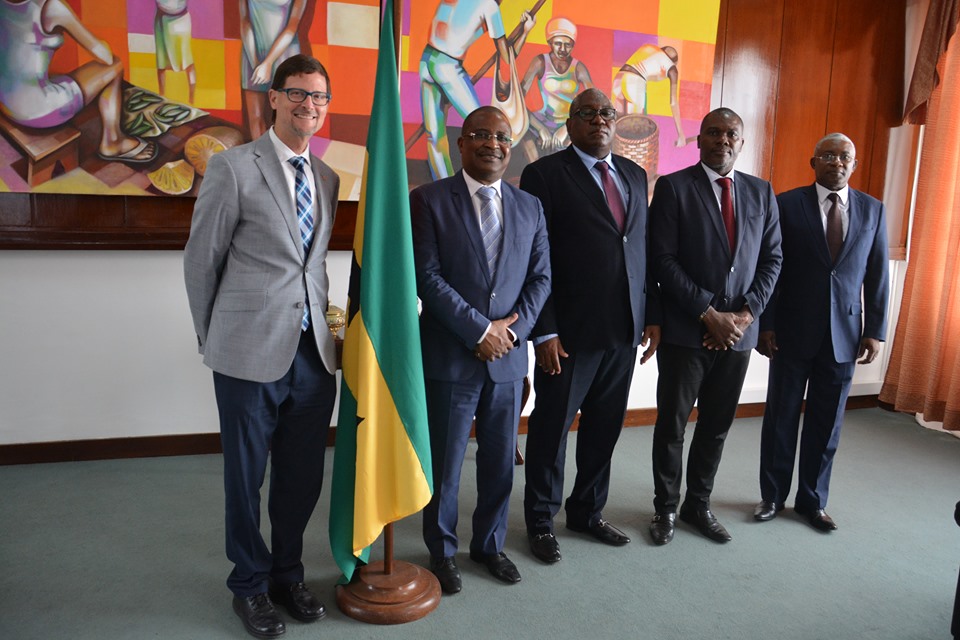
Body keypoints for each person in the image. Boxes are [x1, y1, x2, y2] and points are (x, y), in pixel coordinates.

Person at [183, 54, 338, 638]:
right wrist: (214, 339)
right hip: (246, 351)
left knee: (301, 476)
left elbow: (312, 267)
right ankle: (247, 585)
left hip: (312, 354)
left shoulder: (326, 177)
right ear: (274, 98)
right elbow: (202, 261)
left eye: (319, 97)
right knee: (245, 477)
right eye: (298, 93)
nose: (309, 105)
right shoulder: (234, 167)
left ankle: (286, 573)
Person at [411, 106, 551, 594]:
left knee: (498, 462)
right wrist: (479, 331)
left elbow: (541, 278)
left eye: (501, 137)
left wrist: (511, 334)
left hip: (509, 359)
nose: (493, 144)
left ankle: (489, 545)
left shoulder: (529, 206)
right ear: (461, 144)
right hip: (452, 356)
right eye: (481, 135)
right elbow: (426, 277)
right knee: (446, 464)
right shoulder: (427, 200)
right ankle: (442, 551)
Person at [519, 88, 660, 564]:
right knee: (551, 430)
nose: (599, 120)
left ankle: (587, 511)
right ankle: (540, 520)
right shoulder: (544, 175)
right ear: (570, 123)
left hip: (624, 327)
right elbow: (534, 258)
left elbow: (642, 249)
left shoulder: (635, 174)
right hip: (568, 334)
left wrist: (651, 316)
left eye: (606, 112)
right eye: (587, 114)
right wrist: (545, 329)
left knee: (605, 427)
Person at [648, 107, 782, 546]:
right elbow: (663, 260)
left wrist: (743, 318)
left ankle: (697, 504)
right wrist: (709, 314)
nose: (723, 139)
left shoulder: (761, 192)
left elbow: (771, 260)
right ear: (700, 139)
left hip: (737, 337)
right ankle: (665, 508)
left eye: (732, 133)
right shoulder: (673, 188)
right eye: (714, 132)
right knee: (672, 424)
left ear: (741, 142)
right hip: (688, 331)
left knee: (717, 425)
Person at [753, 133, 889, 531]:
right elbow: (771, 268)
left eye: (844, 156)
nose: (836, 162)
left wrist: (875, 330)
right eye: (828, 155)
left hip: (844, 335)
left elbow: (877, 274)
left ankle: (813, 501)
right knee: (780, 419)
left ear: (854, 164)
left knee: (827, 423)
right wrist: (768, 322)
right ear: (813, 162)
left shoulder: (873, 210)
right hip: (791, 332)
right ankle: (772, 497)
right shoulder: (786, 204)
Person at [0, 0, 157, 163]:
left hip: (5, 102)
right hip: (37, 111)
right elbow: (105, 56)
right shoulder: (51, 7)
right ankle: (113, 141)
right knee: (115, 65)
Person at [418, 0, 534, 180]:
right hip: (448, 67)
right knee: (488, 128)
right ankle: (481, 183)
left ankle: (442, 185)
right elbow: (506, 58)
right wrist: (525, 31)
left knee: (434, 137)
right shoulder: (490, 5)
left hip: (427, 60)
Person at [519, 16, 593, 158]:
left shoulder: (578, 67)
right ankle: (534, 172)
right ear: (550, 42)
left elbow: (594, 102)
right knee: (522, 131)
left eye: (568, 45)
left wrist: (568, 127)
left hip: (570, 123)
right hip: (543, 120)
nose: (563, 49)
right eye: (558, 43)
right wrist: (540, 128)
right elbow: (519, 99)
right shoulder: (540, 62)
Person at [239, 0, 308, 140]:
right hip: (252, 52)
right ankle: (262, 159)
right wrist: (255, 63)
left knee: (286, 118)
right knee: (255, 118)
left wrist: (268, 63)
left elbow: (292, 26)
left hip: (285, 56)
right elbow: (245, 21)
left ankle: (283, 159)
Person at [612, 44, 687, 148]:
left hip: (620, 77)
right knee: (636, 127)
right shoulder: (672, 69)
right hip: (634, 81)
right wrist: (681, 134)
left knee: (619, 119)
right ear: (675, 62)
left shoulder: (651, 50)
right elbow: (673, 103)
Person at [154, 0, 196, 104]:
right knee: (161, 62)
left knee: (187, 61)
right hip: (161, 18)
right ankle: (162, 96)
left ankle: (192, 100)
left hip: (180, 20)